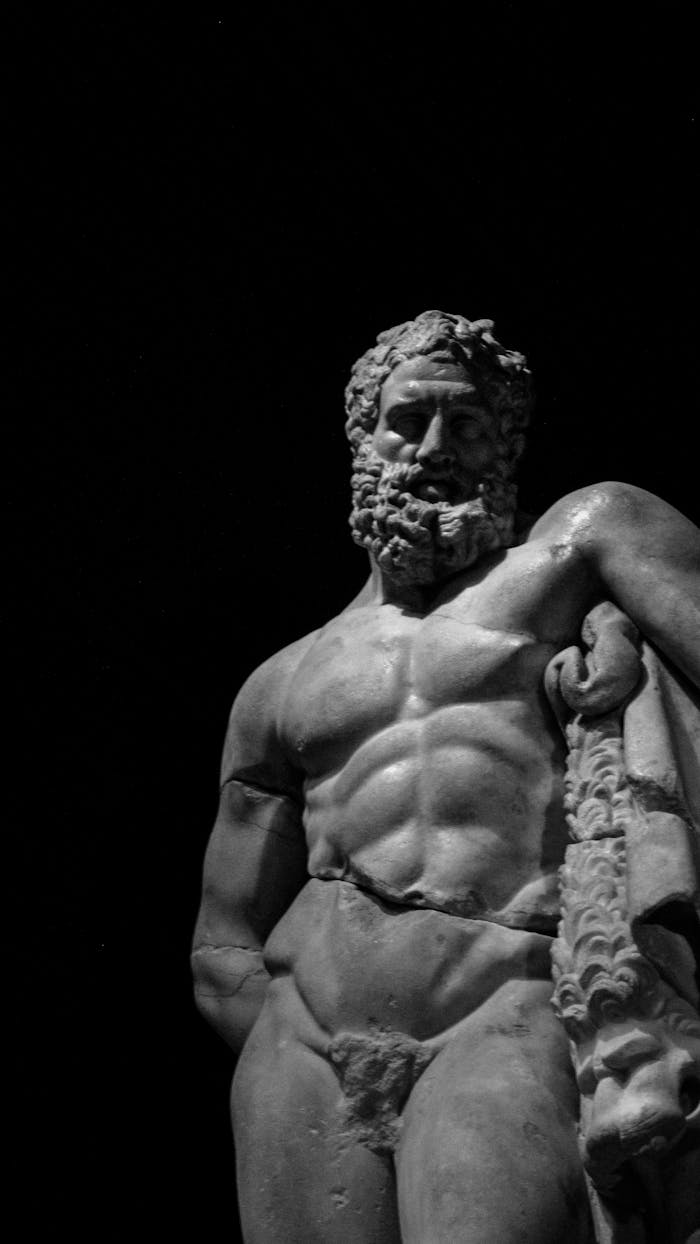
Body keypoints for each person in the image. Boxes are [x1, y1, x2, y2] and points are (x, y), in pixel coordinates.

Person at [192, 311, 700, 1243]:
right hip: (300, 1044)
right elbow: (221, 943)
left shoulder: (572, 559)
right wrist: (300, 1031)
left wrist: (630, 649)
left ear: (505, 446)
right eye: (408, 420)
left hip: (496, 1010)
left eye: (466, 424)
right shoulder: (283, 679)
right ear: (363, 438)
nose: (433, 448)